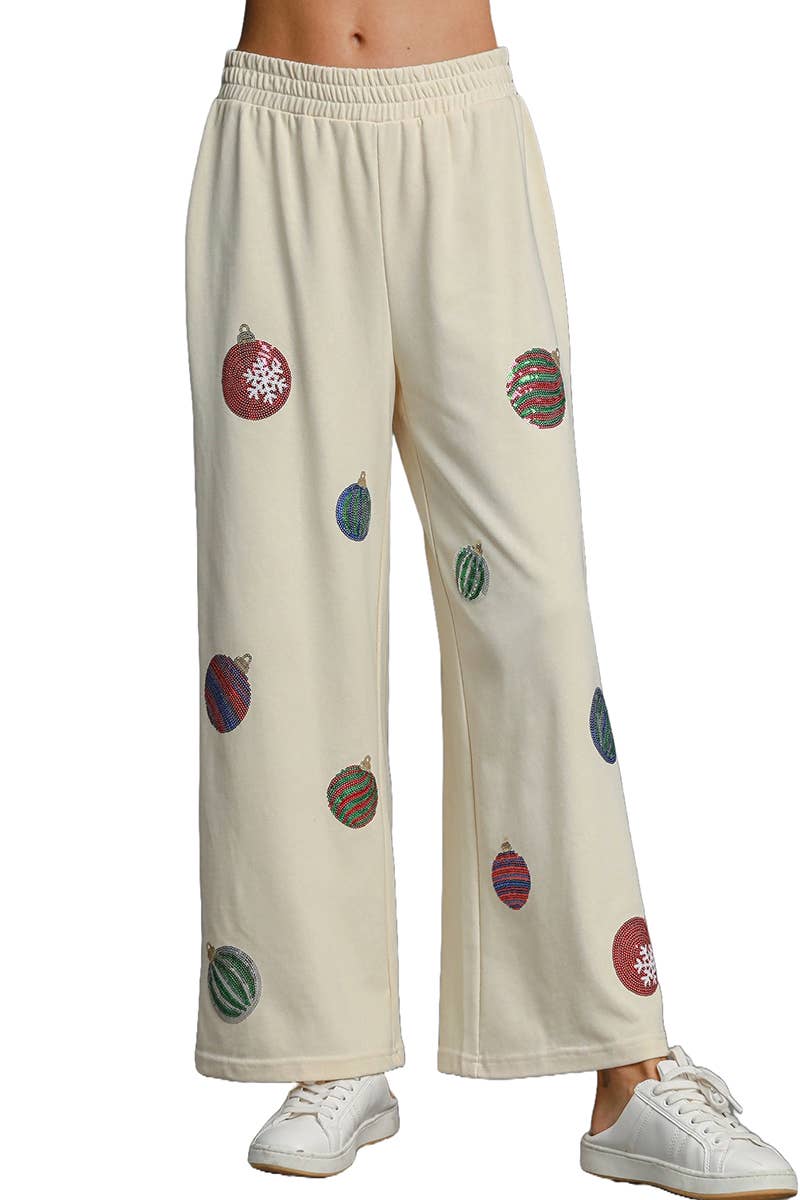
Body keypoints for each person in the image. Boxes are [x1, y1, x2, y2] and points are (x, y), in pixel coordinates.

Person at [185, 2, 797, 1193]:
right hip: (278, 133)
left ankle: (627, 1065)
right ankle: (327, 1043)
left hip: (457, 129)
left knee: (534, 604)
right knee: (277, 601)